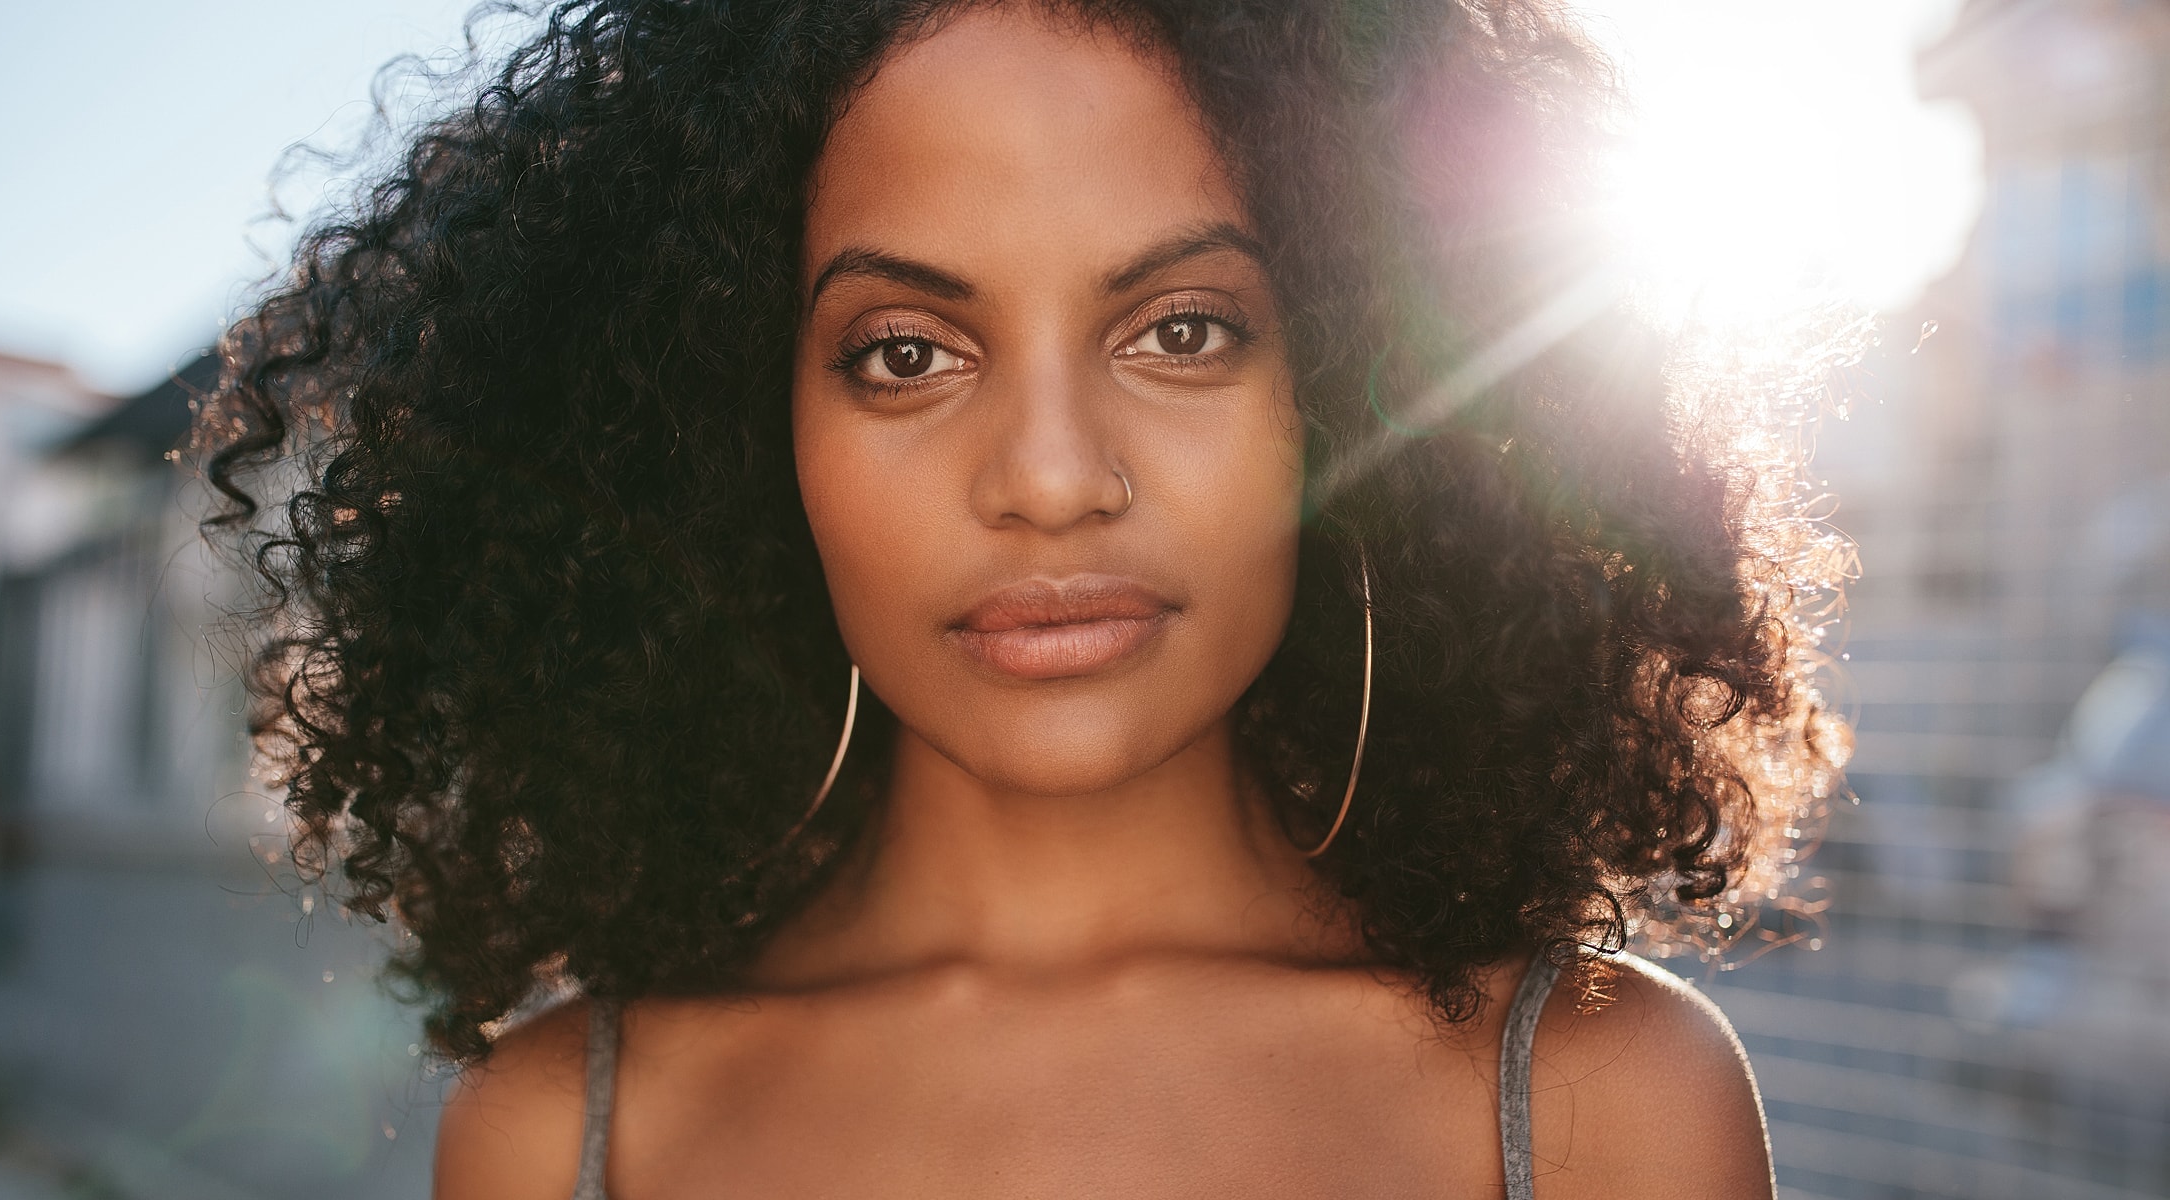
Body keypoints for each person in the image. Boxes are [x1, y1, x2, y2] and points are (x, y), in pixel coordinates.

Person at [202, 1, 1846, 1195]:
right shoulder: (563, 1135)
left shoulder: (1599, 1108)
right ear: (734, 433)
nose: (1052, 475)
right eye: (906, 354)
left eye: (1183, 330)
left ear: (1357, 396)